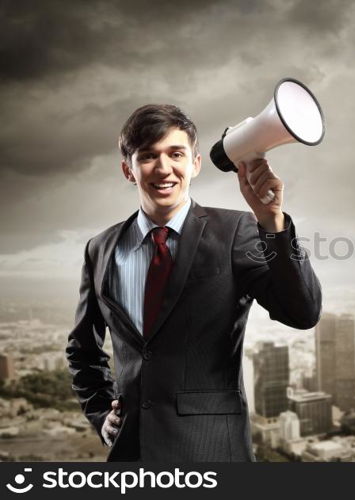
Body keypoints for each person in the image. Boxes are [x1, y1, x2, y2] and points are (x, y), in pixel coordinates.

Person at [65, 104, 322, 461]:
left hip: (212, 451)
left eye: (176, 154)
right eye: (148, 156)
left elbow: (302, 312)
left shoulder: (236, 231)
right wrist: (99, 413)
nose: (164, 168)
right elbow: (83, 349)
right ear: (129, 169)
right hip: (131, 455)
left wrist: (272, 224)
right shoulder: (100, 248)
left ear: (195, 164)